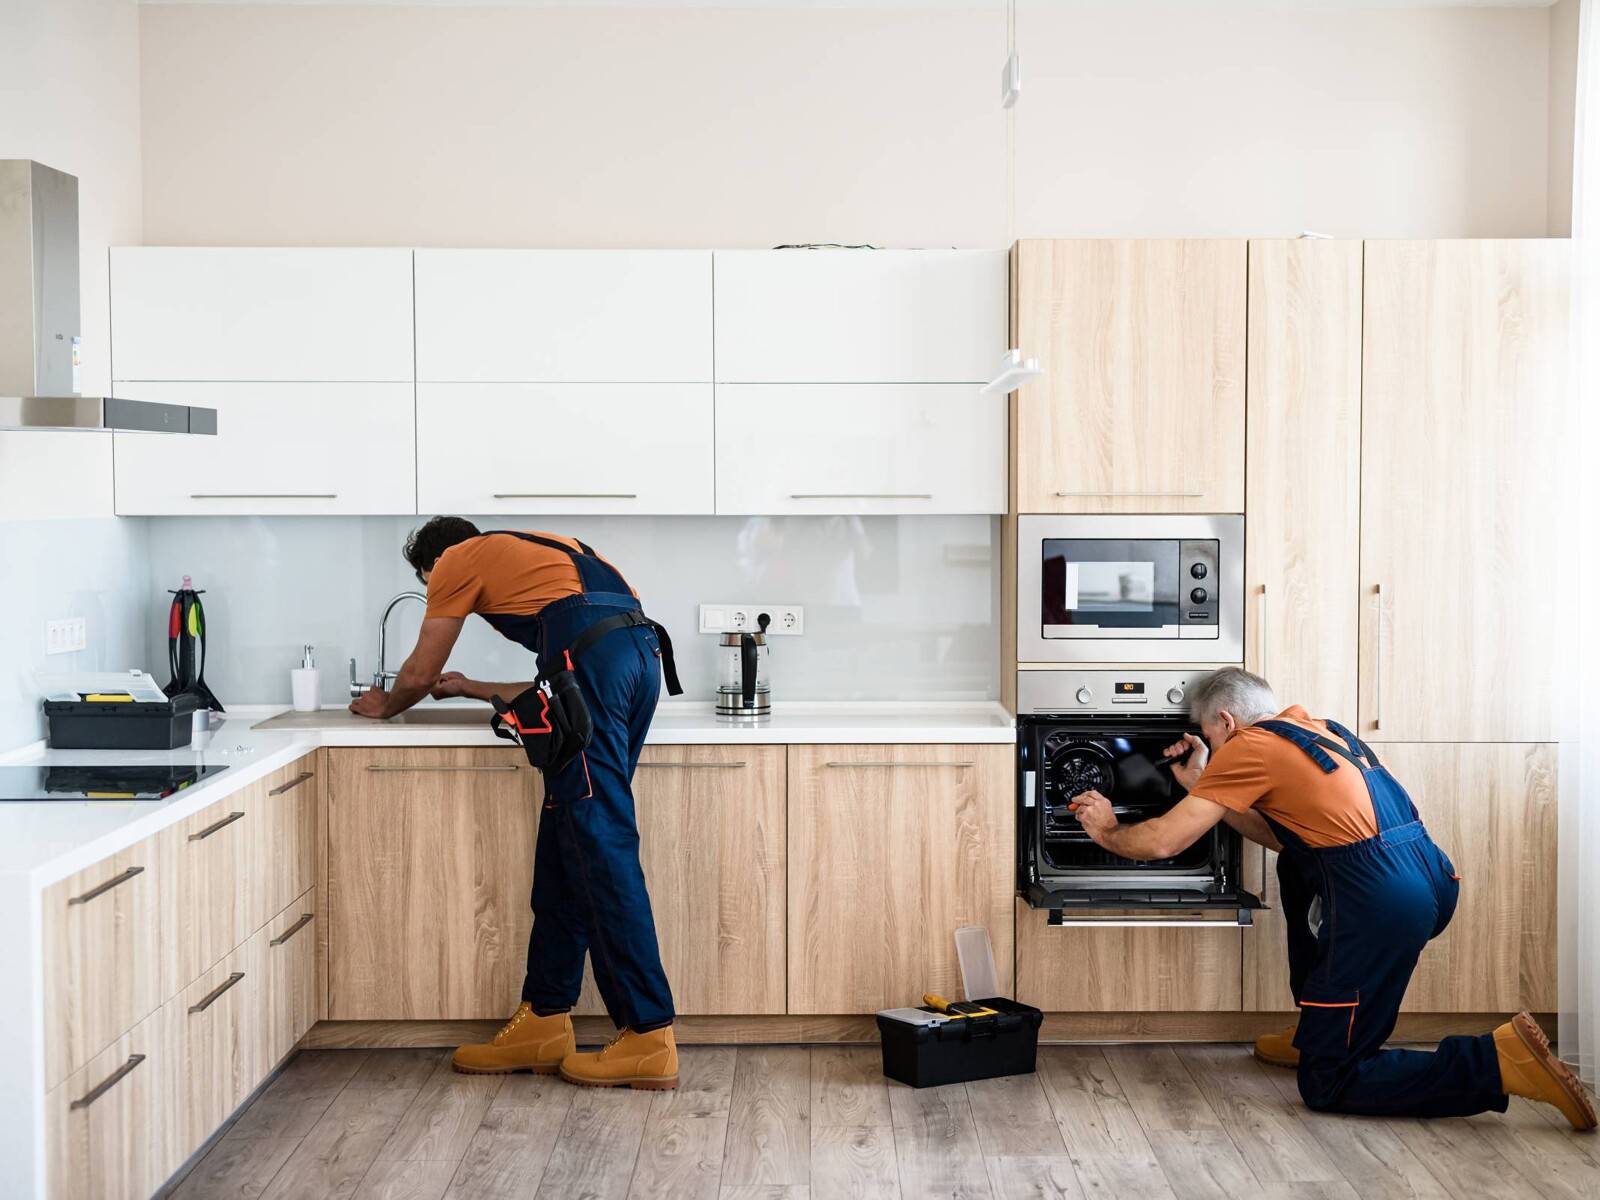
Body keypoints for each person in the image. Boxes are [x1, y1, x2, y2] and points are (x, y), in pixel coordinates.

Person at [1068, 666, 1595, 1129]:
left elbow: (1163, 840)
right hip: (1424, 877)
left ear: (1226, 722)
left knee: (1331, 1083)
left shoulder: (1249, 745)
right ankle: (1315, 1028)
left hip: (1377, 898)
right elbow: (1285, 836)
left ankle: (1496, 1063)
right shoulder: (1322, 731)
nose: (1209, 741)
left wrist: (1109, 830)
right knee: (1295, 863)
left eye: (1207, 732)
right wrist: (1207, 785)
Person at [349, 516, 682, 1090]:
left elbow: (420, 669)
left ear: (435, 564)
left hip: (596, 670)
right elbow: (563, 680)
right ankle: (544, 1020)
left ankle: (648, 1033)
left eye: (431, 584)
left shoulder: (457, 560)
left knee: (598, 843)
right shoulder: (559, 553)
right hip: (638, 658)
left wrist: (385, 707)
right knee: (569, 842)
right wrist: (475, 688)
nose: (439, 593)